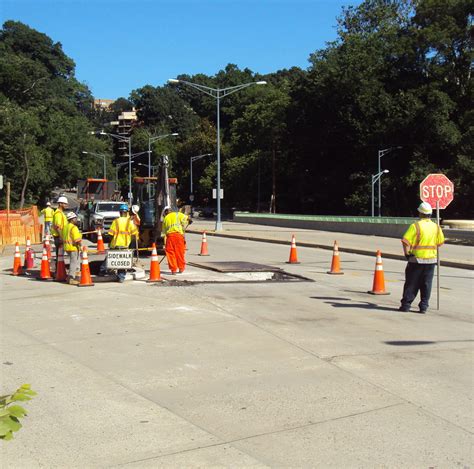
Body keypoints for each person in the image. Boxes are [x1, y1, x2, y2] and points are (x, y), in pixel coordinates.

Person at [399, 202, 445, 314]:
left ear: (420, 213)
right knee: (426, 284)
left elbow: (405, 241)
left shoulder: (416, 226)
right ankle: (423, 307)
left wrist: (407, 254)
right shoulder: (436, 227)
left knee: (411, 283)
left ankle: (406, 305)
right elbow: (440, 242)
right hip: (431, 260)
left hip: (416, 259)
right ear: (430, 214)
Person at [107, 203, 138, 283]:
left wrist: (110, 243)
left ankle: (102, 270)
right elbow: (134, 235)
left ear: (120, 212)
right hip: (125, 245)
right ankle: (121, 277)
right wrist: (132, 245)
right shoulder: (130, 222)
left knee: (112, 259)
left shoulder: (115, 221)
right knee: (122, 262)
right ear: (127, 212)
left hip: (115, 244)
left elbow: (110, 234)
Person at [162, 206, 192, 274]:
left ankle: (173, 270)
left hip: (170, 237)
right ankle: (181, 268)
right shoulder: (177, 214)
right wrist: (189, 220)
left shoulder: (165, 218)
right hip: (178, 236)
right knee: (180, 253)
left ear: (165, 212)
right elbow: (187, 218)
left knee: (170, 253)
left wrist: (165, 244)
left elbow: (163, 233)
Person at [62, 212, 82, 285]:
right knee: (73, 263)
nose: (76, 220)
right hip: (73, 247)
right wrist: (81, 246)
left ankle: (76, 277)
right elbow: (77, 240)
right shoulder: (74, 227)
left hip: (67, 247)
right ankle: (71, 278)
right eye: (75, 218)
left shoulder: (65, 227)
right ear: (72, 219)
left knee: (75, 263)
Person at [51, 196, 69, 268]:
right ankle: (58, 271)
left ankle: (59, 271)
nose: (66, 205)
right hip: (59, 237)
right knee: (60, 255)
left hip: (60, 236)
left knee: (60, 255)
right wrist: (62, 237)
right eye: (65, 204)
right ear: (60, 204)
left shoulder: (61, 213)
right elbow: (57, 227)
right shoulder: (58, 213)